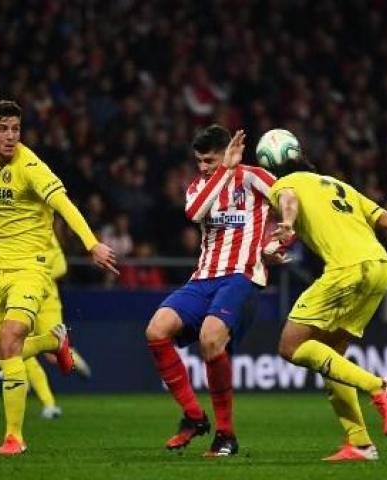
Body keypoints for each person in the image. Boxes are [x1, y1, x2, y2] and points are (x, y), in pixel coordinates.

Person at [0, 100, 117, 455]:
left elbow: (65, 205)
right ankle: (52, 341)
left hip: (32, 270)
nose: (10, 136)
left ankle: (14, 437)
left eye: (15, 129)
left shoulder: (32, 166)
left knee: (10, 339)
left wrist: (92, 244)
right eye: (2, 129)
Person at [263, 138, 387, 462]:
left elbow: (290, 199)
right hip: (381, 268)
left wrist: (288, 224)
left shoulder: (285, 184)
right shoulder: (340, 186)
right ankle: (361, 443)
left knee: (290, 346)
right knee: (332, 358)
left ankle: (379, 386)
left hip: (347, 269)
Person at [144, 125, 280, 457]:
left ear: (226, 151)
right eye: (199, 161)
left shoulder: (254, 177)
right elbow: (194, 213)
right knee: (156, 330)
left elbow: (291, 202)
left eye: (209, 160)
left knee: (210, 339)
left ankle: (226, 436)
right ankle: (193, 416)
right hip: (202, 278)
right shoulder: (198, 187)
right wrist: (223, 170)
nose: (202, 167)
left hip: (240, 276)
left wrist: (280, 239)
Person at [26, 232, 93, 420]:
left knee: (53, 353)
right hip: (23, 299)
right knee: (22, 352)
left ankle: (73, 358)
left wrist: (37, 275)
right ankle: (49, 404)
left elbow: (61, 266)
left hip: (47, 302)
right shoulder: (12, 229)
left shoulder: (45, 233)